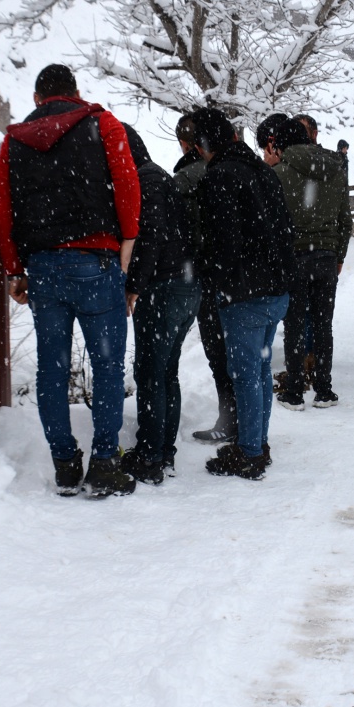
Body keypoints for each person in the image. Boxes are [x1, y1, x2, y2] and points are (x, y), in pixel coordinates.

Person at [0, 64, 139, 498]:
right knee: (108, 366)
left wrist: (14, 269)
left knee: (51, 370)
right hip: (96, 261)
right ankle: (104, 462)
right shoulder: (102, 123)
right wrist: (127, 242)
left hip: (43, 268)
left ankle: (64, 463)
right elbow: (128, 186)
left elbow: (3, 208)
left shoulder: (14, 140)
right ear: (76, 92)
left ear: (38, 98)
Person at [192, 106, 296, 480]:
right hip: (276, 289)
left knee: (246, 374)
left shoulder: (219, 178)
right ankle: (258, 442)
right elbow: (285, 229)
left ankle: (250, 452)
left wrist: (212, 276)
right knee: (261, 369)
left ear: (205, 146)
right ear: (234, 136)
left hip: (245, 293)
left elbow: (225, 242)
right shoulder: (262, 173)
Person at [120, 124, 199, 485]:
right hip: (185, 285)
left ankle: (150, 458)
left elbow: (150, 236)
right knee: (166, 371)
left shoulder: (145, 181)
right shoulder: (160, 177)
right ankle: (163, 451)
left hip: (164, 288)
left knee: (151, 373)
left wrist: (134, 286)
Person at [271, 117, 351, 410]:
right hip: (327, 257)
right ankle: (324, 389)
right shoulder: (335, 168)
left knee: (294, 324)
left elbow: (274, 225)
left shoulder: (279, 174)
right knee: (323, 324)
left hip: (295, 257)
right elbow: (344, 220)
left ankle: (294, 391)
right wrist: (339, 255)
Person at [174, 115, 239, 445]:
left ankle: (229, 419)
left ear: (186, 145)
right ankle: (243, 419)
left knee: (218, 351)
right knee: (237, 352)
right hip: (236, 276)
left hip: (205, 276)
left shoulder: (184, 179)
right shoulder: (231, 169)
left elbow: (182, 235)